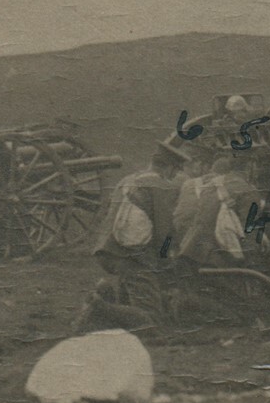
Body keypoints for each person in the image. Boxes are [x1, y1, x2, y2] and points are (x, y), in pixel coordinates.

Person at [74, 143, 186, 334]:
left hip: (108, 251)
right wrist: (168, 264)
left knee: (134, 300)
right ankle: (99, 308)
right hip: (132, 257)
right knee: (152, 323)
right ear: (169, 167)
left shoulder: (128, 180)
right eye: (174, 172)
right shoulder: (159, 185)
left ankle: (105, 295)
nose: (174, 177)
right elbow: (164, 233)